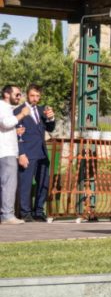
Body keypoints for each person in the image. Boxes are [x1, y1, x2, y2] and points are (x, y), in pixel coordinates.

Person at [15, 85, 55, 222]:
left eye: (37, 96)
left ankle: (39, 211)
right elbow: (16, 135)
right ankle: (25, 212)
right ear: (27, 95)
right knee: (25, 184)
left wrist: (51, 118)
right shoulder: (18, 111)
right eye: (32, 96)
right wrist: (21, 153)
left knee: (43, 183)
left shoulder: (42, 110)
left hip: (42, 153)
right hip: (27, 152)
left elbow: (50, 128)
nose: (35, 99)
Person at [0, 85, 28, 225]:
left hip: (6, 150)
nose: (19, 97)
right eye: (17, 94)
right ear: (6, 94)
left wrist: (15, 132)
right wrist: (22, 114)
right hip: (6, 152)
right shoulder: (2, 107)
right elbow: (5, 122)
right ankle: (7, 215)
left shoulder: (7, 109)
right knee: (9, 184)